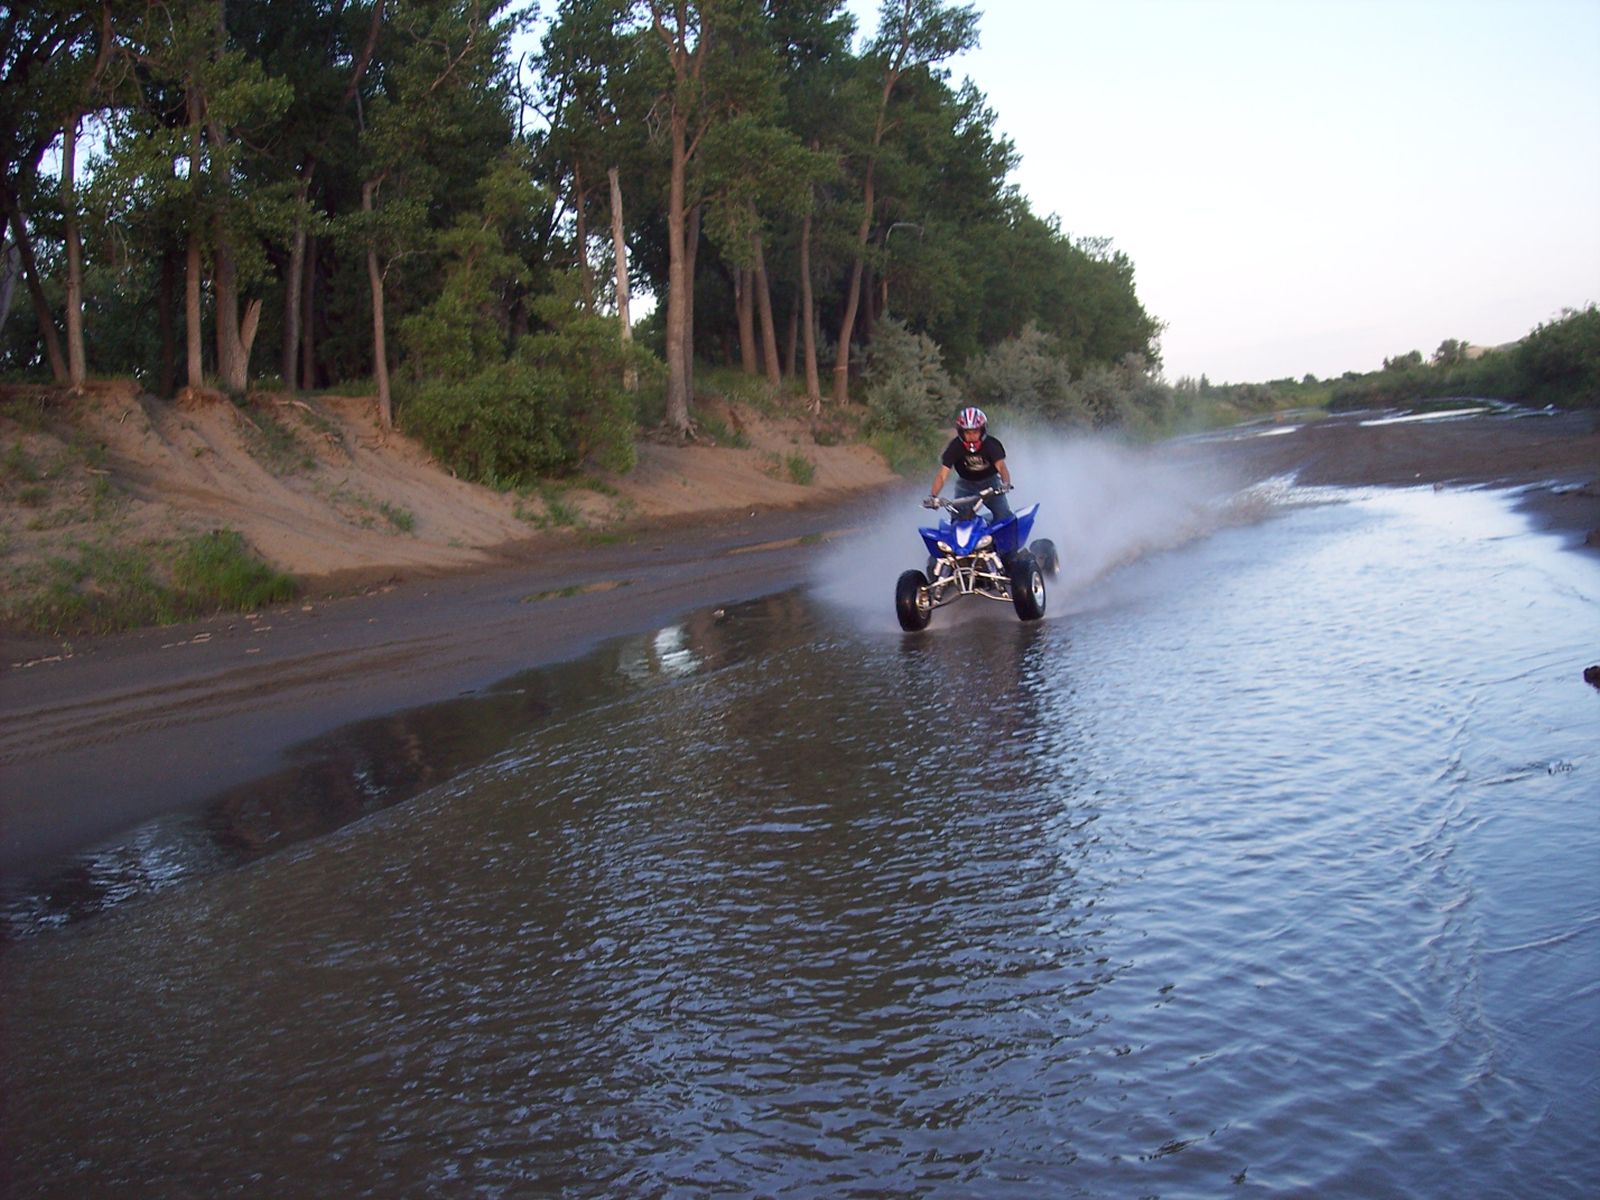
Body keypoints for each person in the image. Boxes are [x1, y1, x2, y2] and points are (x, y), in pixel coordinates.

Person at [927, 406, 1012, 521]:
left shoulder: (992, 445)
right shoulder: (955, 447)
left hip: (991, 485)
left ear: (982, 430)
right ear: (961, 432)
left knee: (1004, 517)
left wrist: (1005, 484)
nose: (971, 436)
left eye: (975, 432)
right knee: (957, 520)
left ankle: (1008, 537)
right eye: (967, 432)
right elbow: (942, 475)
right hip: (966, 485)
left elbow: (1001, 467)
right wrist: (933, 496)